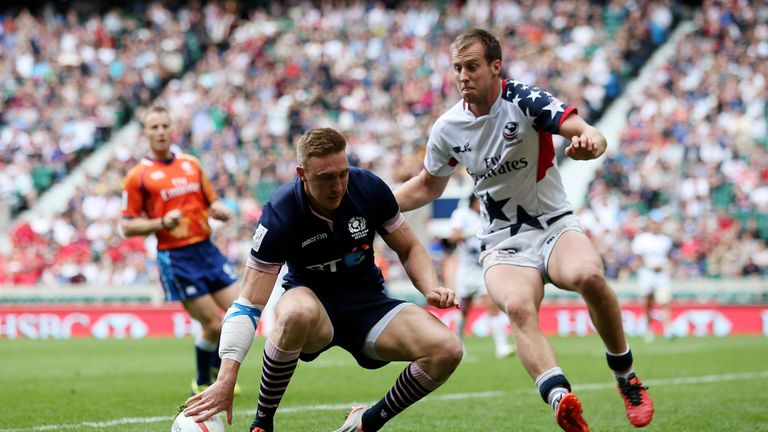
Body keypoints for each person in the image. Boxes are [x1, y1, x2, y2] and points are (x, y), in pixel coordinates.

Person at [394, 29, 654, 431]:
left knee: (590, 276)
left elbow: (590, 133)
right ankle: (560, 398)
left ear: (496, 67)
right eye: (458, 68)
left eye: (472, 66)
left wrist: (591, 144)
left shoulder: (525, 100)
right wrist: (378, 202)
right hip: (503, 242)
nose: (463, 76)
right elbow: (428, 185)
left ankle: (626, 375)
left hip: (554, 225)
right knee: (516, 306)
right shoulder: (448, 127)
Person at [182, 128, 463, 432]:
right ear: (302, 173)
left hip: (368, 304)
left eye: (342, 173)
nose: (338, 185)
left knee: (447, 350)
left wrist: (429, 286)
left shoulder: (367, 187)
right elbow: (248, 302)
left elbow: (408, 247)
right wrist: (226, 378)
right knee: (294, 314)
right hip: (312, 306)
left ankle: (365, 424)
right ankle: (262, 423)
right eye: (326, 177)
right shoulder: (281, 211)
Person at [121, 105, 240, 395]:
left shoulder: (191, 164)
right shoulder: (138, 176)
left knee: (240, 312)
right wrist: (161, 222)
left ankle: (214, 370)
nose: (160, 131)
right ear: (146, 133)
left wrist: (219, 211)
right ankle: (202, 380)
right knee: (213, 324)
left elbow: (210, 203)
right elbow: (127, 226)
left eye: (164, 125)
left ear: (171, 128)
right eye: (154, 127)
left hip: (207, 250)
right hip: (177, 257)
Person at [449, 193, 515, 358]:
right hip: (466, 268)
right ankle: (456, 344)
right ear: (473, 201)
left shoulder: (489, 215)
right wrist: (472, 233)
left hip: (483, 267)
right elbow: (453, 237)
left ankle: (502, 346)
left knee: (491, 304)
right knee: (463, 308)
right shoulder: (461, 214)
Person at [631, 216, 674, 342]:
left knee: (664, 301)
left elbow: (670, 256)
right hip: (647, 273)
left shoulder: (666, 240)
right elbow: (638, 256)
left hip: (661, 273)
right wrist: (649, 264)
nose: (656, 226)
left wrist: (667, 265)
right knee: (648, 302)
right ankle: (648, 329)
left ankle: (668, 330)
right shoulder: (642, 239)